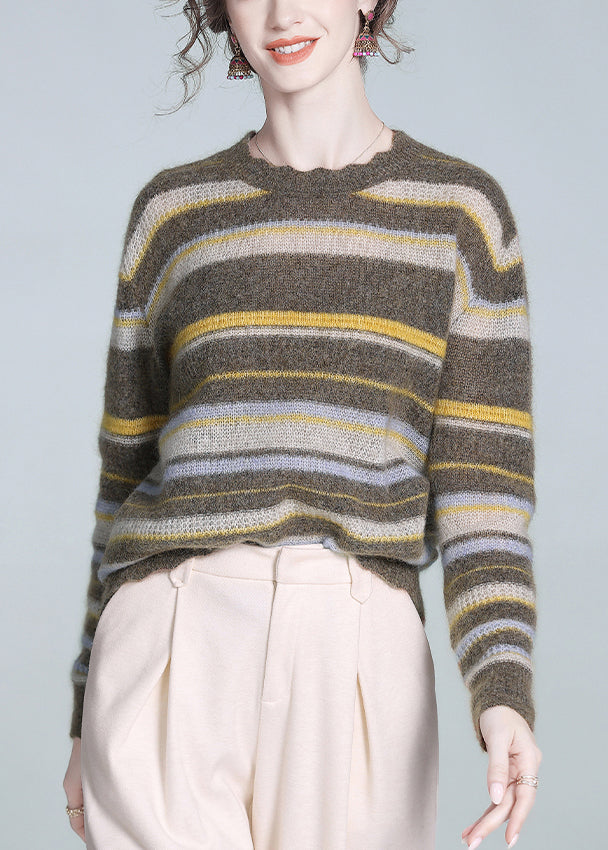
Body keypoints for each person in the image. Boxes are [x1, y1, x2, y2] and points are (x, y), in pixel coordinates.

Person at [63, 1, 542, 847]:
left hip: (354, 647)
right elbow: (123, 478)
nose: (283, 12)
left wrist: (501, 692)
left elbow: (485, 493)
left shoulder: (461, 215)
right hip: (172, 633)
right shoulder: (174, 212)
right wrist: (81, 717)